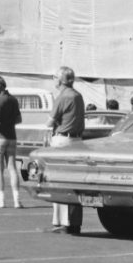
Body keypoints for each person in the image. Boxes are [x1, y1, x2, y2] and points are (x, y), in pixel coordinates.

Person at [47, 66, 85, 234]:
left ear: (60, 80)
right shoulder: (77, 95)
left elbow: (50, 122)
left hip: (62, 140)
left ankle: (62, 222)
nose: (53, 79)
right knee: (74, 182)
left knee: (59, 182)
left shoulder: (62, 97)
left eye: (54, 77)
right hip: (77, 139)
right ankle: (69, 222)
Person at [0, 75, 23, 209]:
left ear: (1, 85)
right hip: (12, 137)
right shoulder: (13, 99)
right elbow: (19, 120)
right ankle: (17, 201)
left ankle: (1, 201)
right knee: (12, 168)